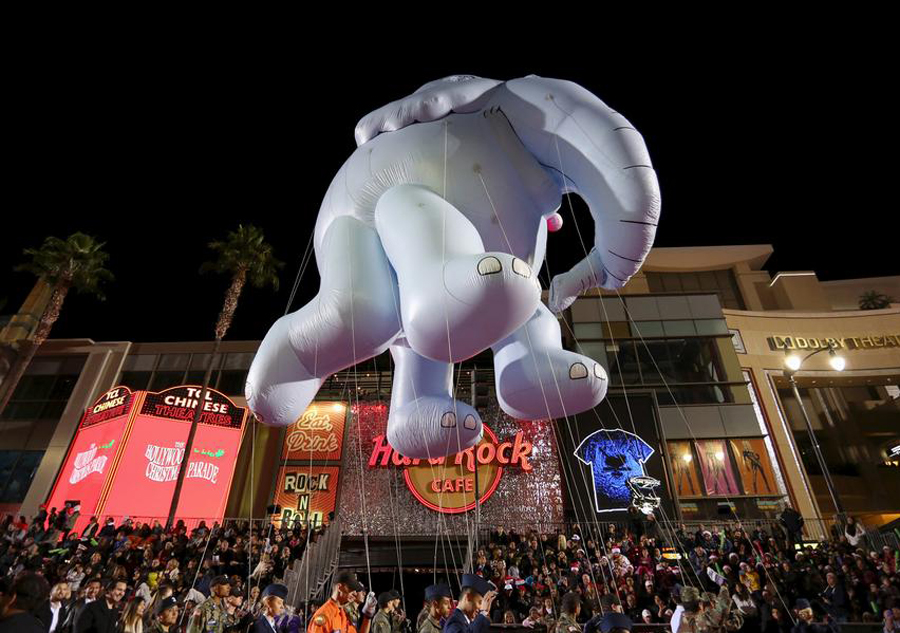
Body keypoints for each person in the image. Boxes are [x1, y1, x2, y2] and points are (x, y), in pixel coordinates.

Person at [308, 570, 376, 633]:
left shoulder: (343, 615)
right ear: (339, 587)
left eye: (355, 590)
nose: (355, 593)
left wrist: (367, 616)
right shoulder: (325, 615)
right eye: (351, 589)